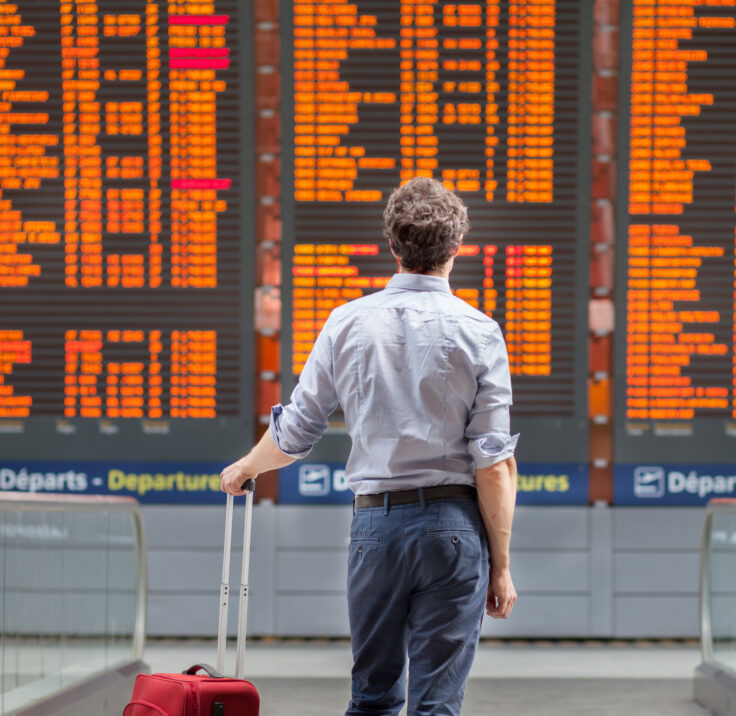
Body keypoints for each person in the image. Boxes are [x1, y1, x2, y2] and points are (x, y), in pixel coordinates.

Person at [220, 176, 519, 715]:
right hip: (454, 531)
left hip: (376, 531)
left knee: (373, 698)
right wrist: (499, 566)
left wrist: (245, 467)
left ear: (392, 245)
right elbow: (494, 464)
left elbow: (296, 432)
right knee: (436, 705)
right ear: (456, 248)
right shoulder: (481, 331)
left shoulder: (347, 323)